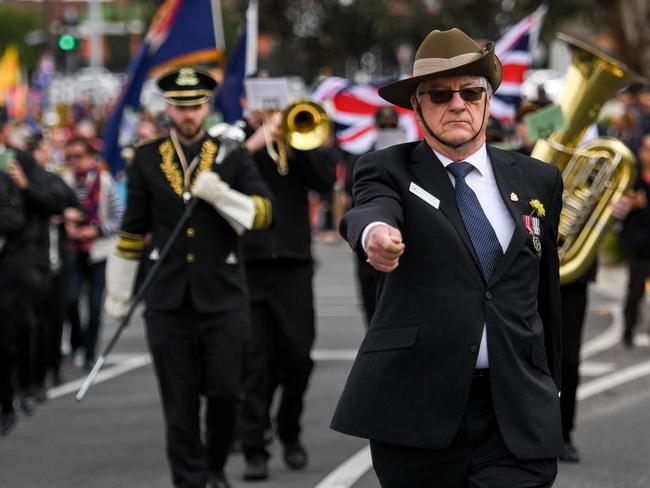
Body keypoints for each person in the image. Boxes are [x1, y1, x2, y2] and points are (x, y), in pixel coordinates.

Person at [333, 28, 564, 487]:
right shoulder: (385, 168)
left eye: (471, 92)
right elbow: (369, 210)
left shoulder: (539, 179)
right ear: (416, 107)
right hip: (418, 411)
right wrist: (375, 235)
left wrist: (550, 383)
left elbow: (546, 292)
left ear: (486, 100)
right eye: (439, 94)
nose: (457, 104)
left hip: (514, 408)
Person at [104, 66, 272, 488]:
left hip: (223, 296)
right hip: (168, 300)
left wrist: (223, 195)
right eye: (180, 106)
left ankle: (214, 466)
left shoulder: (231, 154)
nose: (188, 114)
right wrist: (120, 290)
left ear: (207, 106)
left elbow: (264, 214)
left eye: (195, 105)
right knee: (178, 403)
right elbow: (132, 230)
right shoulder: (146, 157)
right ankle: (190, 480)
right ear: (168, 108)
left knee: (223, 393)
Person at [237, 89, 336, 481]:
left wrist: (294, 141)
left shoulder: (299, 135)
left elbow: (326, 181)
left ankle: (289, 428)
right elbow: (220, 174)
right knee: (254, 361)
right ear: (247, 103)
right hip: (249, 265)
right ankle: (253, 446)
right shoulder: (232, 138)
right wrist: (259, 139)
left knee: (298, 356)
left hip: (293, 265)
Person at [64, 136, 123, 370]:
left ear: (89, 157)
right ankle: (76, 340)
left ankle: (90, 352)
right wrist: (66, 225)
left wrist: (96, 230)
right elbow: (56, 211)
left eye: (79, 156)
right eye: (70, 157)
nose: (74, 162)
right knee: (70, 300)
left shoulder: (105, 181)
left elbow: (119, 218)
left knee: (95, 306)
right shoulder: (65, 181)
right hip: (73, 250)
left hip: (99, 251)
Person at [0, 165, 25, 436]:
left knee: (4, 343)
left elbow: (14, 219)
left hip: (4, 272)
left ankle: (7, 404)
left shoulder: (4, 182)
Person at [619, 132, 650, 348]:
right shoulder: (631, 177)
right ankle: (628, 331)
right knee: (635, 290)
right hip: (638, 245)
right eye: (647, 148)